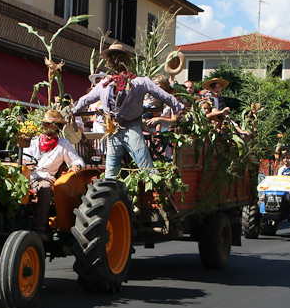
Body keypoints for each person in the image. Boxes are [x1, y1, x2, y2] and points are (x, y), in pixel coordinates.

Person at [73, 42, 184, 178]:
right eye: (113, 58)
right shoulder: (106, 84)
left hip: (131, 129)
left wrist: (179, 109)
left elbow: (165, 96)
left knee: (145, 168)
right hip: (113, 130)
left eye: (116, 58)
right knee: (113, 172)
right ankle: (114, 188)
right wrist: (72, 111)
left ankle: (156, 187)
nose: (114, 61)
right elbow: (85, 100)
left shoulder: (138, 82)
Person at [22, 109, 85, 241]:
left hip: (45, 177)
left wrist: (75, 166)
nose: (45, 126)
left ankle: (39, 229)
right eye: (44, 123)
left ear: (56, 126)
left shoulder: (63, 144)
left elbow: (77, 160)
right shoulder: (33, 140)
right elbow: (22, 157)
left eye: (48, 123)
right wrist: (26, 162)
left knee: (45, 188)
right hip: (26, 175)